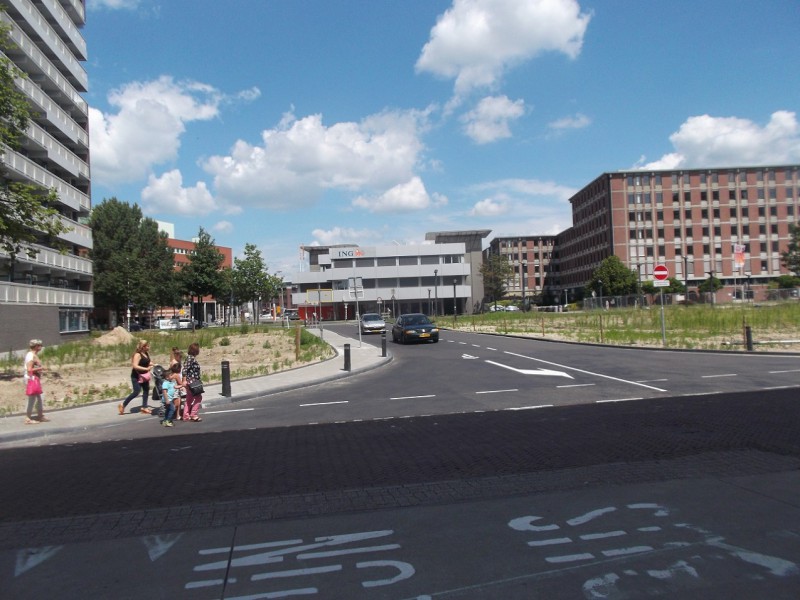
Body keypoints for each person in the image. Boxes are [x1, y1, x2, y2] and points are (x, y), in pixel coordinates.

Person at [119, 340, 153, 415]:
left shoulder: (146, 353)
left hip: (144, 376)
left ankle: (144, 407)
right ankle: (123, 405)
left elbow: (146, 362)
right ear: (143, 347)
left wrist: (153, 364)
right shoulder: (138, 354)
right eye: (147, 346)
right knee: (136, 391)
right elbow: (135, 365)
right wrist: (146, 369)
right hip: (137, 376)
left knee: (146, 390)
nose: (149, 347)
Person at [23, 339, 49, 424]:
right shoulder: (31, 355)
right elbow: (29, 369)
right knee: (32, 398)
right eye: (40, 345)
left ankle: (40, 415)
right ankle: (28, 418)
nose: (41, 346)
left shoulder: (33, 354)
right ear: (36, 346)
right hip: (31, 379)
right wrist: (41, 368)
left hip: (34, 378)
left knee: (40, 397)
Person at [182, 341, 203, 421]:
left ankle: (186, 415)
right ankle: (193, 414)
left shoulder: (190, 358)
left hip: (191, 381)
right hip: (192, 381)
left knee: (189, 398)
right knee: (198, 397)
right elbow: (185, 369)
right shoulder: (190, 358)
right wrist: (184, 380)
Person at [160, 363, 181, 427]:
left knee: (168, 410)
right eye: (171, 375)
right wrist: (167, 400)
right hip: (167, 399)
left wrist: (181, 386)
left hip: (170, 398)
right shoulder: (165, 383)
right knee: (172, 409)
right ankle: (168, 420)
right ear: (167, 377)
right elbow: (164, 391)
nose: (172, 376)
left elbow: (175, 387)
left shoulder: (171, 382)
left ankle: (165, 420)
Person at [169, 347, 185, 420]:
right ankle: (175, 414)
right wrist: (182, 384)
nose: (181, 359)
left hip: (177, 381)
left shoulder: (174, 361)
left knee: (178, 400)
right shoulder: (175, 363)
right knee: (177, 401)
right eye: (180, 357)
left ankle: (177, 414)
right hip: (176, 382)